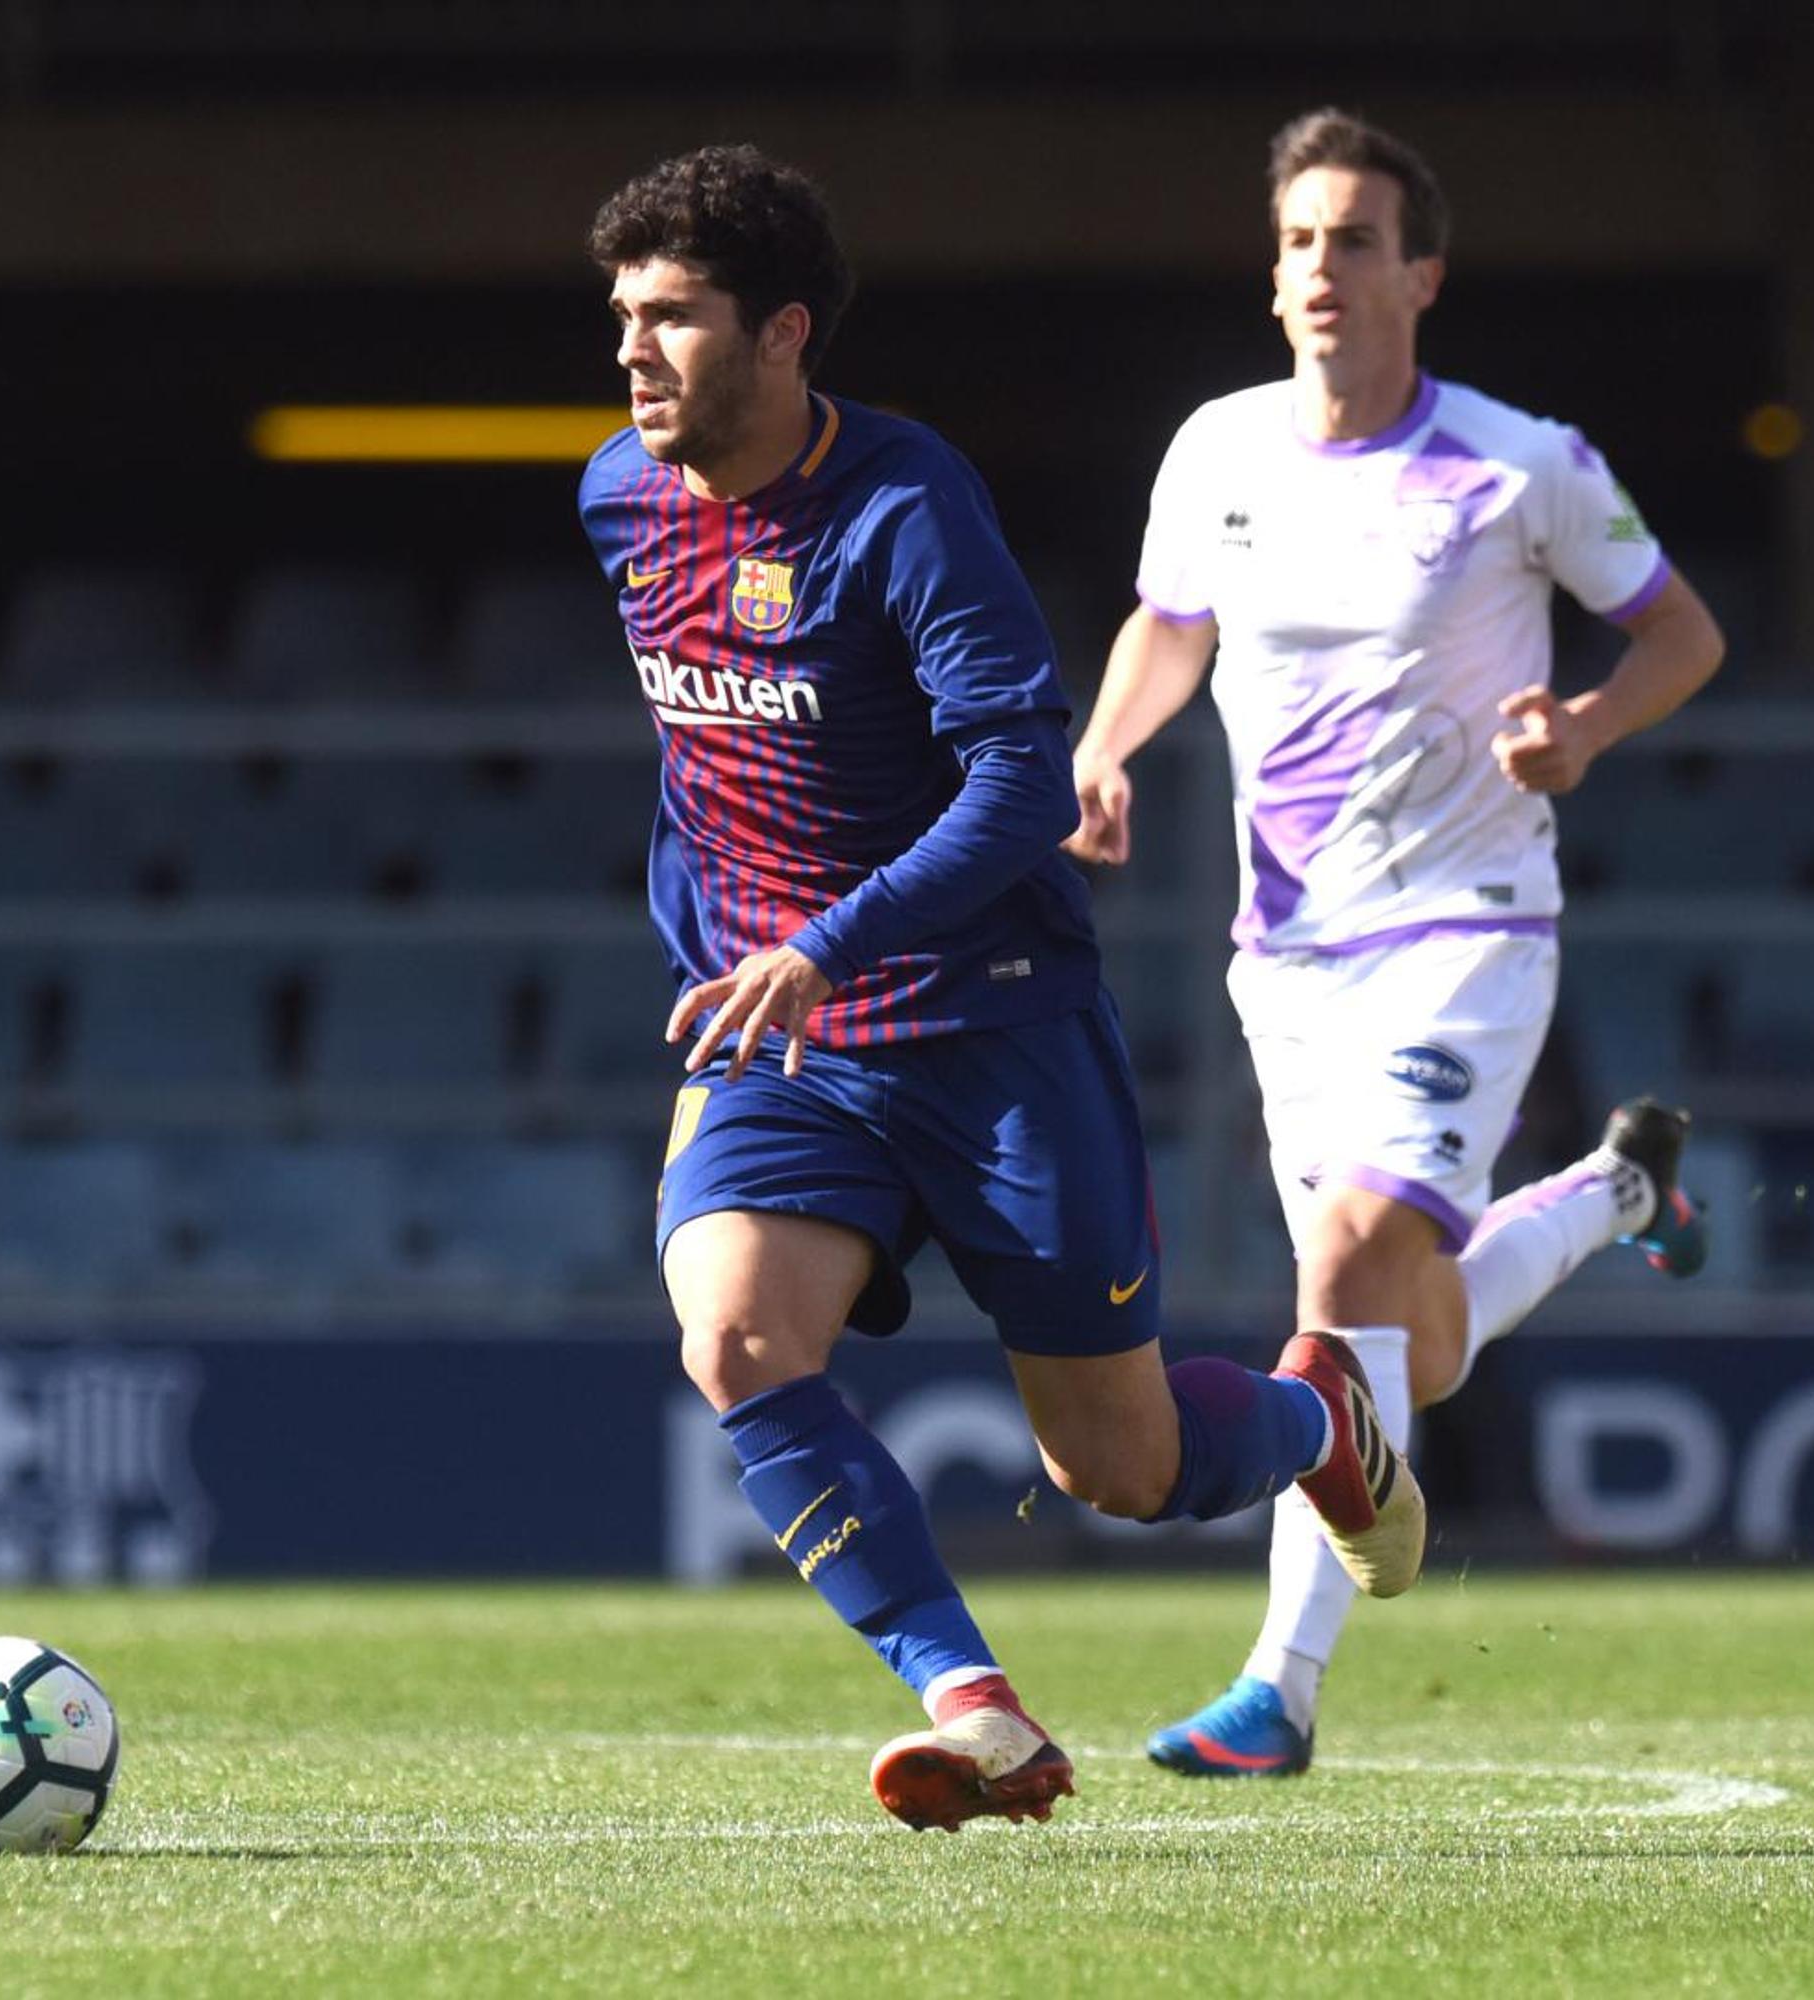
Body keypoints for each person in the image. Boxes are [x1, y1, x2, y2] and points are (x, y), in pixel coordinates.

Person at [578, 141, 1423, 1833]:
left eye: (673, 318)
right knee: (734, 1333)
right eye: (621, 317)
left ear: (786, 332)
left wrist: (825, 941)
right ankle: (976, 1710)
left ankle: (1315, 1414)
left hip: (988, 1021)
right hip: (784, 1044)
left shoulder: (903, 506)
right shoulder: (617, 495)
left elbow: (1022, 782)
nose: (632, 353)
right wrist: (737, 954)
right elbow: (701, 762)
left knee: (1116, 1470)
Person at [1065, 107, 1725, 1779]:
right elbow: (1171, 623)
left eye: (1355, 240)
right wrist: (1105, 743)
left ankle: (1273, 1695)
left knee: (1350, 1265)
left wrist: (1581, 726)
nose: (1321, 271)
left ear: (1422, 273)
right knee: (1409, 1338)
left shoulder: (1522, 467)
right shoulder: (1216, 451)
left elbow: (1683, 633)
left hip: (1467, 932)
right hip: (1286, 955)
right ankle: (1613, 1196)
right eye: (1297, 241)